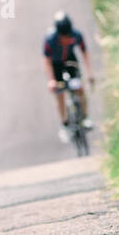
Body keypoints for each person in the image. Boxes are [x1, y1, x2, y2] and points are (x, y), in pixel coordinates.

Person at [43, 11, 95, 142]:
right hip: (56, 65)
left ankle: (84, 117)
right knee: (59, 93)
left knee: (80, 88)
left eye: (68, 36)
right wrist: (51, 80)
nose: (66, 40)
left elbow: (85, 53)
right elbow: (46, 61)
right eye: (63, 37)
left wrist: (90, 73)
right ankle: (64, 124)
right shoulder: (50, 39)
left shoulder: (76, 35)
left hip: (70, 61)